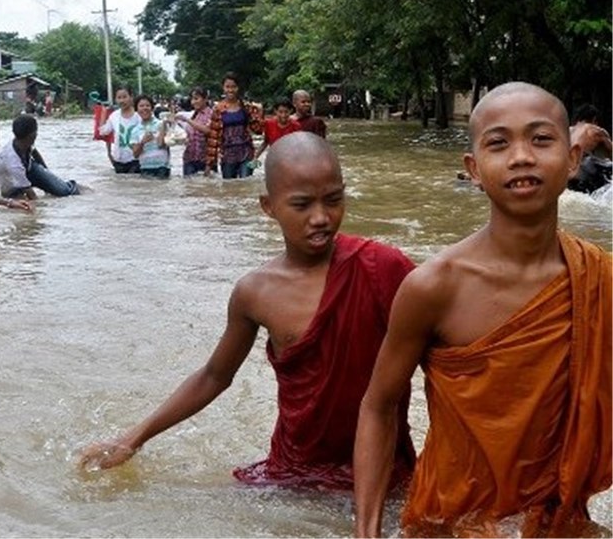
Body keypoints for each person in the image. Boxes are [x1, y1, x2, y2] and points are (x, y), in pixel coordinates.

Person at [78, 132, 417, 491]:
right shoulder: (255, 292)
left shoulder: (385, 268)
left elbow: (443, 358)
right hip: (294, 472)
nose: (321, 217)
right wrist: (132, 439)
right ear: (268, 206)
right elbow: (214, 376)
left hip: (383, 472)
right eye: (301, 205)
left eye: (333, 200)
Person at [354, 82, 611, 538]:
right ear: (473, 169)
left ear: (573, 159)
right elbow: (378, 406)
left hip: (556, 523)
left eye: (541, 139)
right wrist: (367, 532)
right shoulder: (435, 287)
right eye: (499, 143)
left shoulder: (600, 279)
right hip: (449, 522)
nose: (521, 156)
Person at [0, 114, 83, 199]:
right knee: (19, 199)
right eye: (36, 131)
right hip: (11, 185)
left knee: (64, 191)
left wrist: (47, 174)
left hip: (30, 169)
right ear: (32, 135)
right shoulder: (13, 163)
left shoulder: (22, 142)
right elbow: (31, 194)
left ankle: (75, 187)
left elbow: (34, 151)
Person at [205, 72, 264, 179]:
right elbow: (213, 137)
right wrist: (209, 164)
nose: (230, 90)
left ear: (238, 88)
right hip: (227, 154)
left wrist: (259, 113)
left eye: (233, 87)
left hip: (246, 153)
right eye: (227, 87)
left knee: (246, 182)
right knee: (229, 186)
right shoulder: (218, 109)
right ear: (223, 88)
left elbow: (258, 130)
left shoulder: (246, 107)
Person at [567, 104, 612, 194]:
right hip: (581, 172)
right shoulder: (596, 130)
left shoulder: (567, 130)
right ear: (594, 119)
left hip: (564, 174)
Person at [98, 85, 141, 174]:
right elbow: (103, 132)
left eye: (125, 97)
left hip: (136, 161)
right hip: (119, 161)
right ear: (115, 99)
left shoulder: (139, 116)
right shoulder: (114, 116)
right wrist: (103, 113)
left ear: (131, 97)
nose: (122, 100)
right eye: (119, 98)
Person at [129, 95, 170, 179]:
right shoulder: (135, 130)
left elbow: (163, 145)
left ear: (152, 108)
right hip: (145, 168)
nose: (145, 108)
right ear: (136, 109)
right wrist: (142, 142)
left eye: (147, 105)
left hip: (162, 167)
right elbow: (135, 155)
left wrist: (163, 127)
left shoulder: (161, 124)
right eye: (141, 106)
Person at [175, 87, 213, 177]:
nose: (193, 102)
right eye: (192, 99)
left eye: (196, 98)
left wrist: (187, 120)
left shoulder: (211, 114)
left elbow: (207, 130)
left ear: (205, 99)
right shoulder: (193, 115)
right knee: (190, 189)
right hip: (189, 159)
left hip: (205, 160)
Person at [254, 97, 302, 161]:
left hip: (291, 160)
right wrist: (255, 157)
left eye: (286, 112)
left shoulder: (296, 126)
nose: (283, 115)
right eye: (280, 112)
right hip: (274, 159)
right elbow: (266, 142)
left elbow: (299, 146)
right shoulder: (269, 124)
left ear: (290, 111)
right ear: (275, 111)